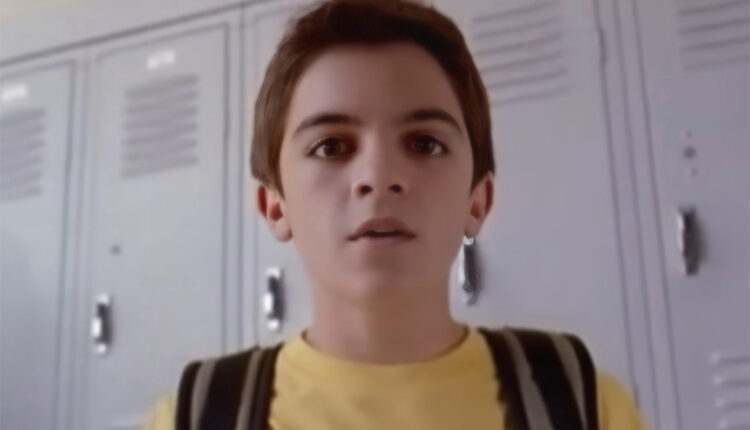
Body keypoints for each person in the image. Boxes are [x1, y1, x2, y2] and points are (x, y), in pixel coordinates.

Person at [143, 0, 649, 428]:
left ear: (478, 200)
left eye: (425, 143)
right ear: (275, 205)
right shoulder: (193, 417)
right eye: (331, 146)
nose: (379, 176)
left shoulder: (586, 406)